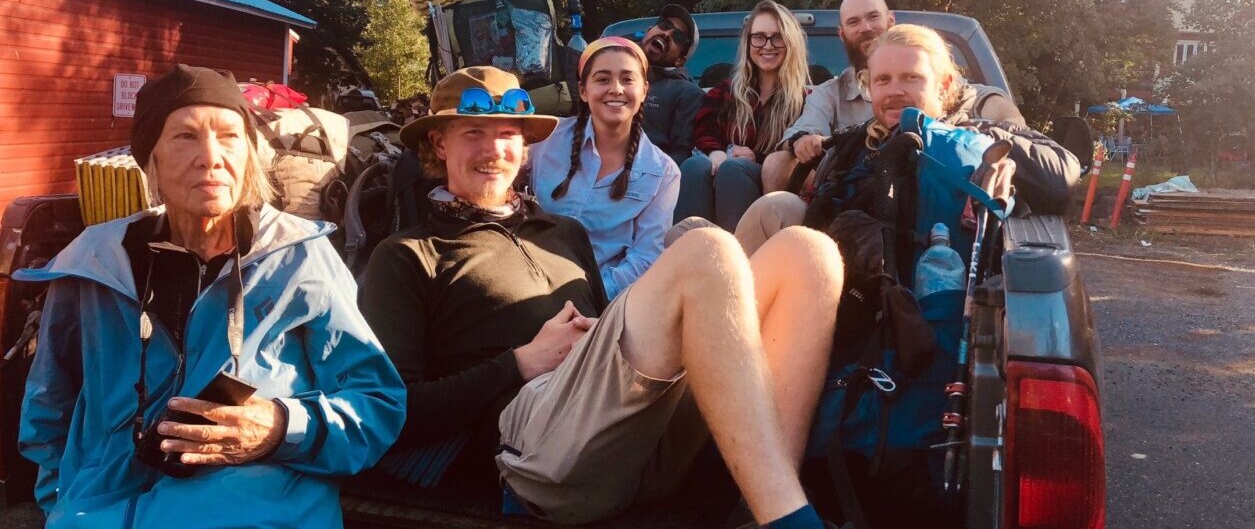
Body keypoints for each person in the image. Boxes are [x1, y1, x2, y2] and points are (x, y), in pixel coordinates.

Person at [361, 66, 844, 529]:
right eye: (473, 133)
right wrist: (520, 363)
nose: (493, 149)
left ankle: (764, 502)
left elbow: (606, 343)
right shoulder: (408, 254)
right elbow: (388, 412)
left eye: (508, 134)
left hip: (632, 439)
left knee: (808, 252)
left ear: (524, 148)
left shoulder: (562, 232)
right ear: (438, 144)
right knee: (705, 250)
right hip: (537, 454)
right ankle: (793, 523)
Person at [18, 65, 405, 528]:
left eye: (229, 136)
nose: (211, 157)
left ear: (249, 155)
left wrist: (280, 428)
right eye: (185, 136)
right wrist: (61, 505)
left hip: (259, 517)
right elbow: (49, 409)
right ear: (150, 158)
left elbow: (375, 404)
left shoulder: (300, 259)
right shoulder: (93, 265)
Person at [737, 25, 1078, 254]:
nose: (895, 91)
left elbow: (1062, 175)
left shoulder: (975, 135)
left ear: (944, 85)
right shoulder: (859, 141)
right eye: (883, 80)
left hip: (930, 284)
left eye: (911, 78)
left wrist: (981, 139)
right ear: (870, 88)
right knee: (767, 210)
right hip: (845, 272)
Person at [760, 0, 1025, 192]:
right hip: (856, 197)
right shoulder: (829, 94)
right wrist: (805, 142)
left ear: (890, 20)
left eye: (873, 17)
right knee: (776, 164)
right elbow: (803, 134)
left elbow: (990, 102)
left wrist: (1003, 136)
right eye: (882, 80)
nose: (865, 27)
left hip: (932, 193)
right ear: (842, 33)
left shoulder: (938, 84)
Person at [530, 37, 679, 300]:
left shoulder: (663, 173)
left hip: (599, 302)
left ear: (644, 90)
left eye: (627, 79)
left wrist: (588, 295)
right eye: (602, 79)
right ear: (583, 90)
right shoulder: (545, 139)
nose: (616, 89)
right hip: (528, 282)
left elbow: (645, 257)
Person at [674, 0, 808, 231]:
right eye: (759, 37)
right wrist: (716, 152)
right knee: (694, 165)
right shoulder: (727, 91)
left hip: (767, 187)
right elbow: (704, 127)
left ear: (791, 42)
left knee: (733, 170)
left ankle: (736, 250)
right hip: (720, 171)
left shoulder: (805, 100)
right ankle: (686, 248)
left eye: (778, 37)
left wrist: (756, 157)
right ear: (748, 42)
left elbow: (797, 154)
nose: (767, 45)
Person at [636, 4, 705, 165]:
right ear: (648, 30)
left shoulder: (688, 93)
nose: (667, 34)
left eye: (678, 37)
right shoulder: (612, 73)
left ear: (680, 60)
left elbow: (681, 155)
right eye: (665, 25)